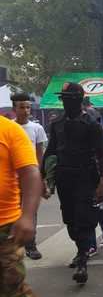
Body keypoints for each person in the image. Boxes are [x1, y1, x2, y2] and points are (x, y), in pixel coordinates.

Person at [42, 82, 103, 284]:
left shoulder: (91, 124)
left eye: (69, 98)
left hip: (85, 176)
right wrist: (41, 174)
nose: (65, 102)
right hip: (64, 177)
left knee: (83, 218)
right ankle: (81, 249)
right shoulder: (56, 123)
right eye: (63, 98)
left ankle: (82, 259)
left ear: (79, 100)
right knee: (70, 220)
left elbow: (101, 154)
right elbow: (51, 150)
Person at [0, 115, 43, 297]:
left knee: (12, 294)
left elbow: (30, 172)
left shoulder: (9, 130)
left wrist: (27, 217)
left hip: (4, 228)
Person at [11, 93, 48, 260]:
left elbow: (40, 155)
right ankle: (13, 244)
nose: (26, 111)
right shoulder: (9, 128)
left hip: (30, 177)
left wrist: (41, 178)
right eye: (22, 107)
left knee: (30, 211)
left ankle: (31, 246)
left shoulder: (37, 129)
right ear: (14, 109)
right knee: (12, 211)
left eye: (28, 107)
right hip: (11, 178)